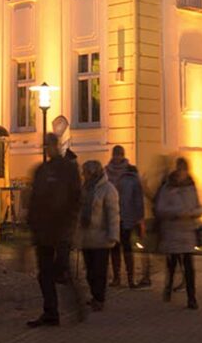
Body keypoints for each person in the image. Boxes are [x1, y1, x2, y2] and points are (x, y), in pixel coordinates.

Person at [26, 132, 81, 327]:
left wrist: (71, 223)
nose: (47, 148)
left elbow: (75, 197)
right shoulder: (42, 170)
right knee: (45, 273)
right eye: (45, 145)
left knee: (61, 271)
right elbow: (34, 199)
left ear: (55, 145)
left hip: (60, 228)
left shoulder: (67, 169)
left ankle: (77, 305)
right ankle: (51, 311)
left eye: (49, 145)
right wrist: (31, 224)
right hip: (44, 230)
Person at [155, 157, 202, 309]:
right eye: (180, 169)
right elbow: (160, 208)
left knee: (189, 266)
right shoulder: (168, 187)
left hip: (187, 232)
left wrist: (194, 213)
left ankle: (191, 298)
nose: (182, 172)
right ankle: (168, 287)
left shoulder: (191, 187)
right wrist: (176, 213)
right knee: (172, 263)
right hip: (172, 231)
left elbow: (198, 206)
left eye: (185, 169)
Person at [78, 160, 120, 311]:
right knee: (89, 271)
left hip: (101, 238)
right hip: (87, 237)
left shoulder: (108, 190)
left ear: (93, 173)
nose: (83, 175)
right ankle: (94, 295)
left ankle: (99, 298)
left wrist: (113, 235)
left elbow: (113, 214)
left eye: (85, 172)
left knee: (99, 271)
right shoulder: (84, 188)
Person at [105, 145, 145, 288]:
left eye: (119, 155)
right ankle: (116, 277)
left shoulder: (131, 173)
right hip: (112, 215)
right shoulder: (106, 172)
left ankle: (130, 278)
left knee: (127, 246)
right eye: (115, 155)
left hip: (127, 214)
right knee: (114, 246)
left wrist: (140, 217)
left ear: (123, 155)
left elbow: (138, 196)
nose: (117, 158)